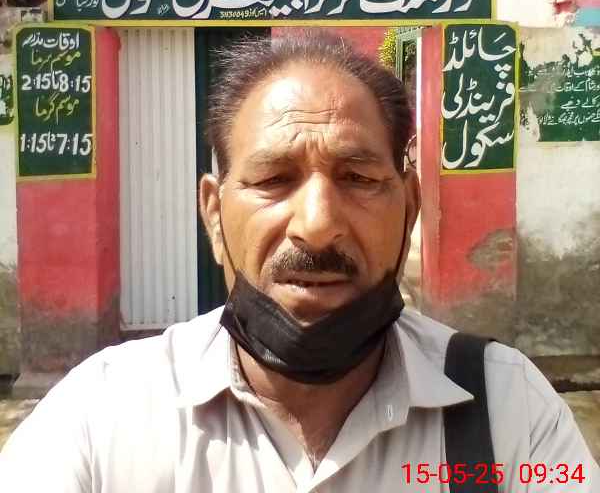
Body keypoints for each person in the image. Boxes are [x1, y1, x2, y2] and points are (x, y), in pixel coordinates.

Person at [1, 31, 598, 492]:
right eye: (273, 179)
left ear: (410, 208)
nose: (316, 223)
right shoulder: (102, 417)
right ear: (214, 215)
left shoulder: (509, 411)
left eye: (358, 178)